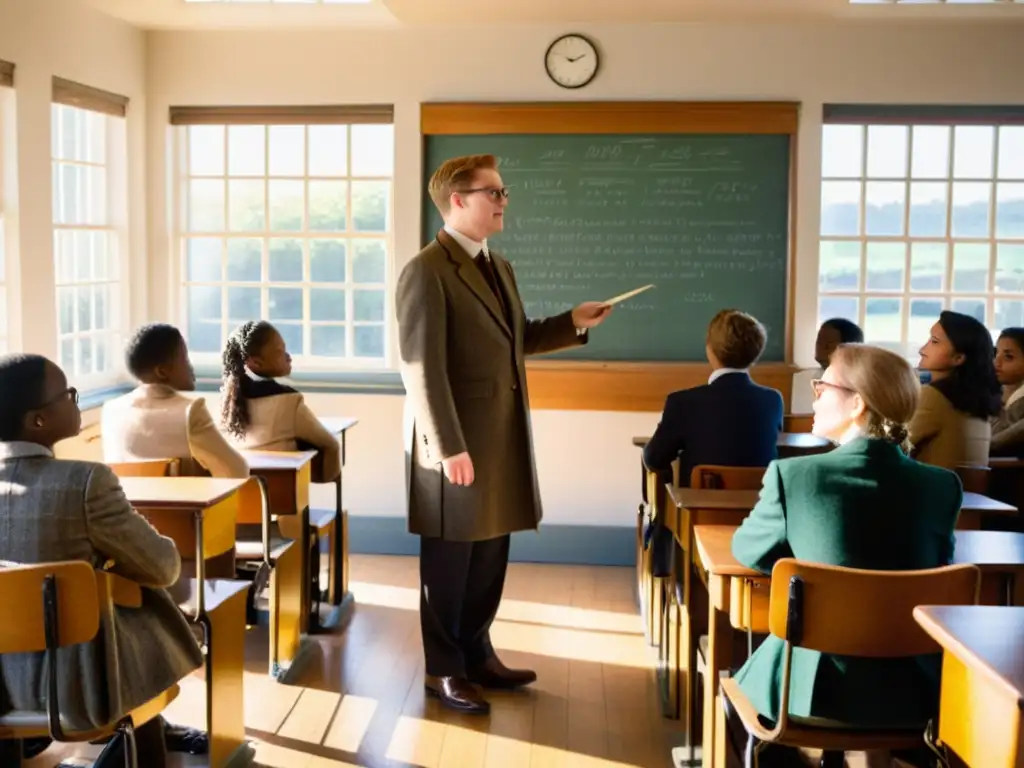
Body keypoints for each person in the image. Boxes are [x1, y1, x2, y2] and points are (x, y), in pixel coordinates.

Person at [395, 153, 611, 714]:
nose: (503, 201)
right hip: (455, 443)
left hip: (500, 437)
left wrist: (574, 322)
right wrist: (447, 447)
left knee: (489, 556)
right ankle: (444, 670)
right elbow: (420, 366)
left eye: (504, 191)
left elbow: (518, 338)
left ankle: (477, 654)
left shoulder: (500, 265)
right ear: (457, 200)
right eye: (493, 192)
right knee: (450, 564)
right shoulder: (426, 269)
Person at [728, 344, 962, 767]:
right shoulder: (943, 486)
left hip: (812, 692)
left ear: (857, 403)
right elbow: (936, 570)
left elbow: (748, 551)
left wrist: (803, 555)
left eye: (823, 385)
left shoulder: (793, 475)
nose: (815, 395)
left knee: (733, 688)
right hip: (915, 691)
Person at [0, 354, 204, 768]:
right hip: (82, 688)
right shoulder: (86, 482)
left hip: (3, 685)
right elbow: (162, 567)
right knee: (138, 605)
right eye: (68, 394)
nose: (76, 401)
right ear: (38, 421)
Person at [643, 308, 783, 484]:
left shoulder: (682, 403)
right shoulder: (773, 400)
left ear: (709, 350)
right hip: (760, 508)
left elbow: (653, 459)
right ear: (756, 352)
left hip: (700, 510)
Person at [102, 323, 249, 479]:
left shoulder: (111, 410)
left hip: (126, 502)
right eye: (184, 359)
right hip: (179, 503)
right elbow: (236, 470)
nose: (191, 367)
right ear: (162, 371)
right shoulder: (190, 411)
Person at [220, 319, 340, 484]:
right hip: (284, 499)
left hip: (240, 498)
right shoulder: (289, 402)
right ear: (255, 362)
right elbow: (330, 446)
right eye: (279, 351)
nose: (288, 357)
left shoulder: (225, 406)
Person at [910, 310, 1001, 468]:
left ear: (958, 358)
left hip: (933, 491)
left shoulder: (933, 396)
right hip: (965, 492)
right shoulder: (977, 401)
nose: (922, 350)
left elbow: (888, 444)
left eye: (934, 341)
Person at [789, 318, 863, 414]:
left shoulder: (861, 384)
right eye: (819, 341)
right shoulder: (803, 379)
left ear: (850, 348)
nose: (820, 347)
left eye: (828, 344)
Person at [991, 327, 1024, 456]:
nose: (996, 363)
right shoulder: (995, 394)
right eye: (996, 354)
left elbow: (993, 443)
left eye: (1008, 357)